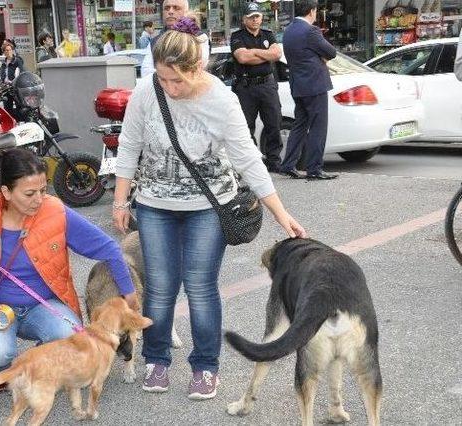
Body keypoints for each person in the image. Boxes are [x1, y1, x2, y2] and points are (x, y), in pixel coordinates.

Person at [112, 18, 306, 400]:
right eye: (163, 79)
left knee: (200, 287)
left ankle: (205, 366)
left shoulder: (220, 99)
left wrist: (281, 214)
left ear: (196, 67)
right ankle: (156, 358)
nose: (170, 88)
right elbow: (129, 146)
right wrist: (120, 200)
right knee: (162, 286)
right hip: (154, 204)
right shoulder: (146, 92)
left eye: (177, 80)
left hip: (208, 205)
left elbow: (248, 159)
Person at [0, 148, 139, 373]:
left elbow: (109, 248)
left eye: (43, 190)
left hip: (45, 306)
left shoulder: (54, 210)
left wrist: (129, 293)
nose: (39, 200)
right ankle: (5, 367)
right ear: (6, 192)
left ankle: (36, 364)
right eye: (29, 194)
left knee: (70, 340)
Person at [279, 0, 337, 180]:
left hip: (298, 85)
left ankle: (288, 164)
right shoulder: (311, 31)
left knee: (300, 125)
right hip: (315, 84)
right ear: (312, 11)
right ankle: (314, 169)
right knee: (318, 126)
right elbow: (331, 52)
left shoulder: (288, 31)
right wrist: (321, 57)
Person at [230, 2, 283, 173]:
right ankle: (254, 161)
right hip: (246, 87)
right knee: (245, 127)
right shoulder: (237, 36)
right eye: (251, 17)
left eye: (257, 16)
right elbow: (243, 58)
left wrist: (254, 52)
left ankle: (274, 161)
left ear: (261, 17)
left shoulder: (268, 34)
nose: (255, 20)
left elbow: (277, 54)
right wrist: (265, 54)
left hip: (267, 85)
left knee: (274, 124)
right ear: (244, 19)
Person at [140, 0, 209, 77]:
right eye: (167, 8)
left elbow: (197, 68)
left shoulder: (199, 37)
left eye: (176, 8)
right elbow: (146, 72)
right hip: (160, 88)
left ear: (186, 12)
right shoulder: (154, 41)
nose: (170, 11)